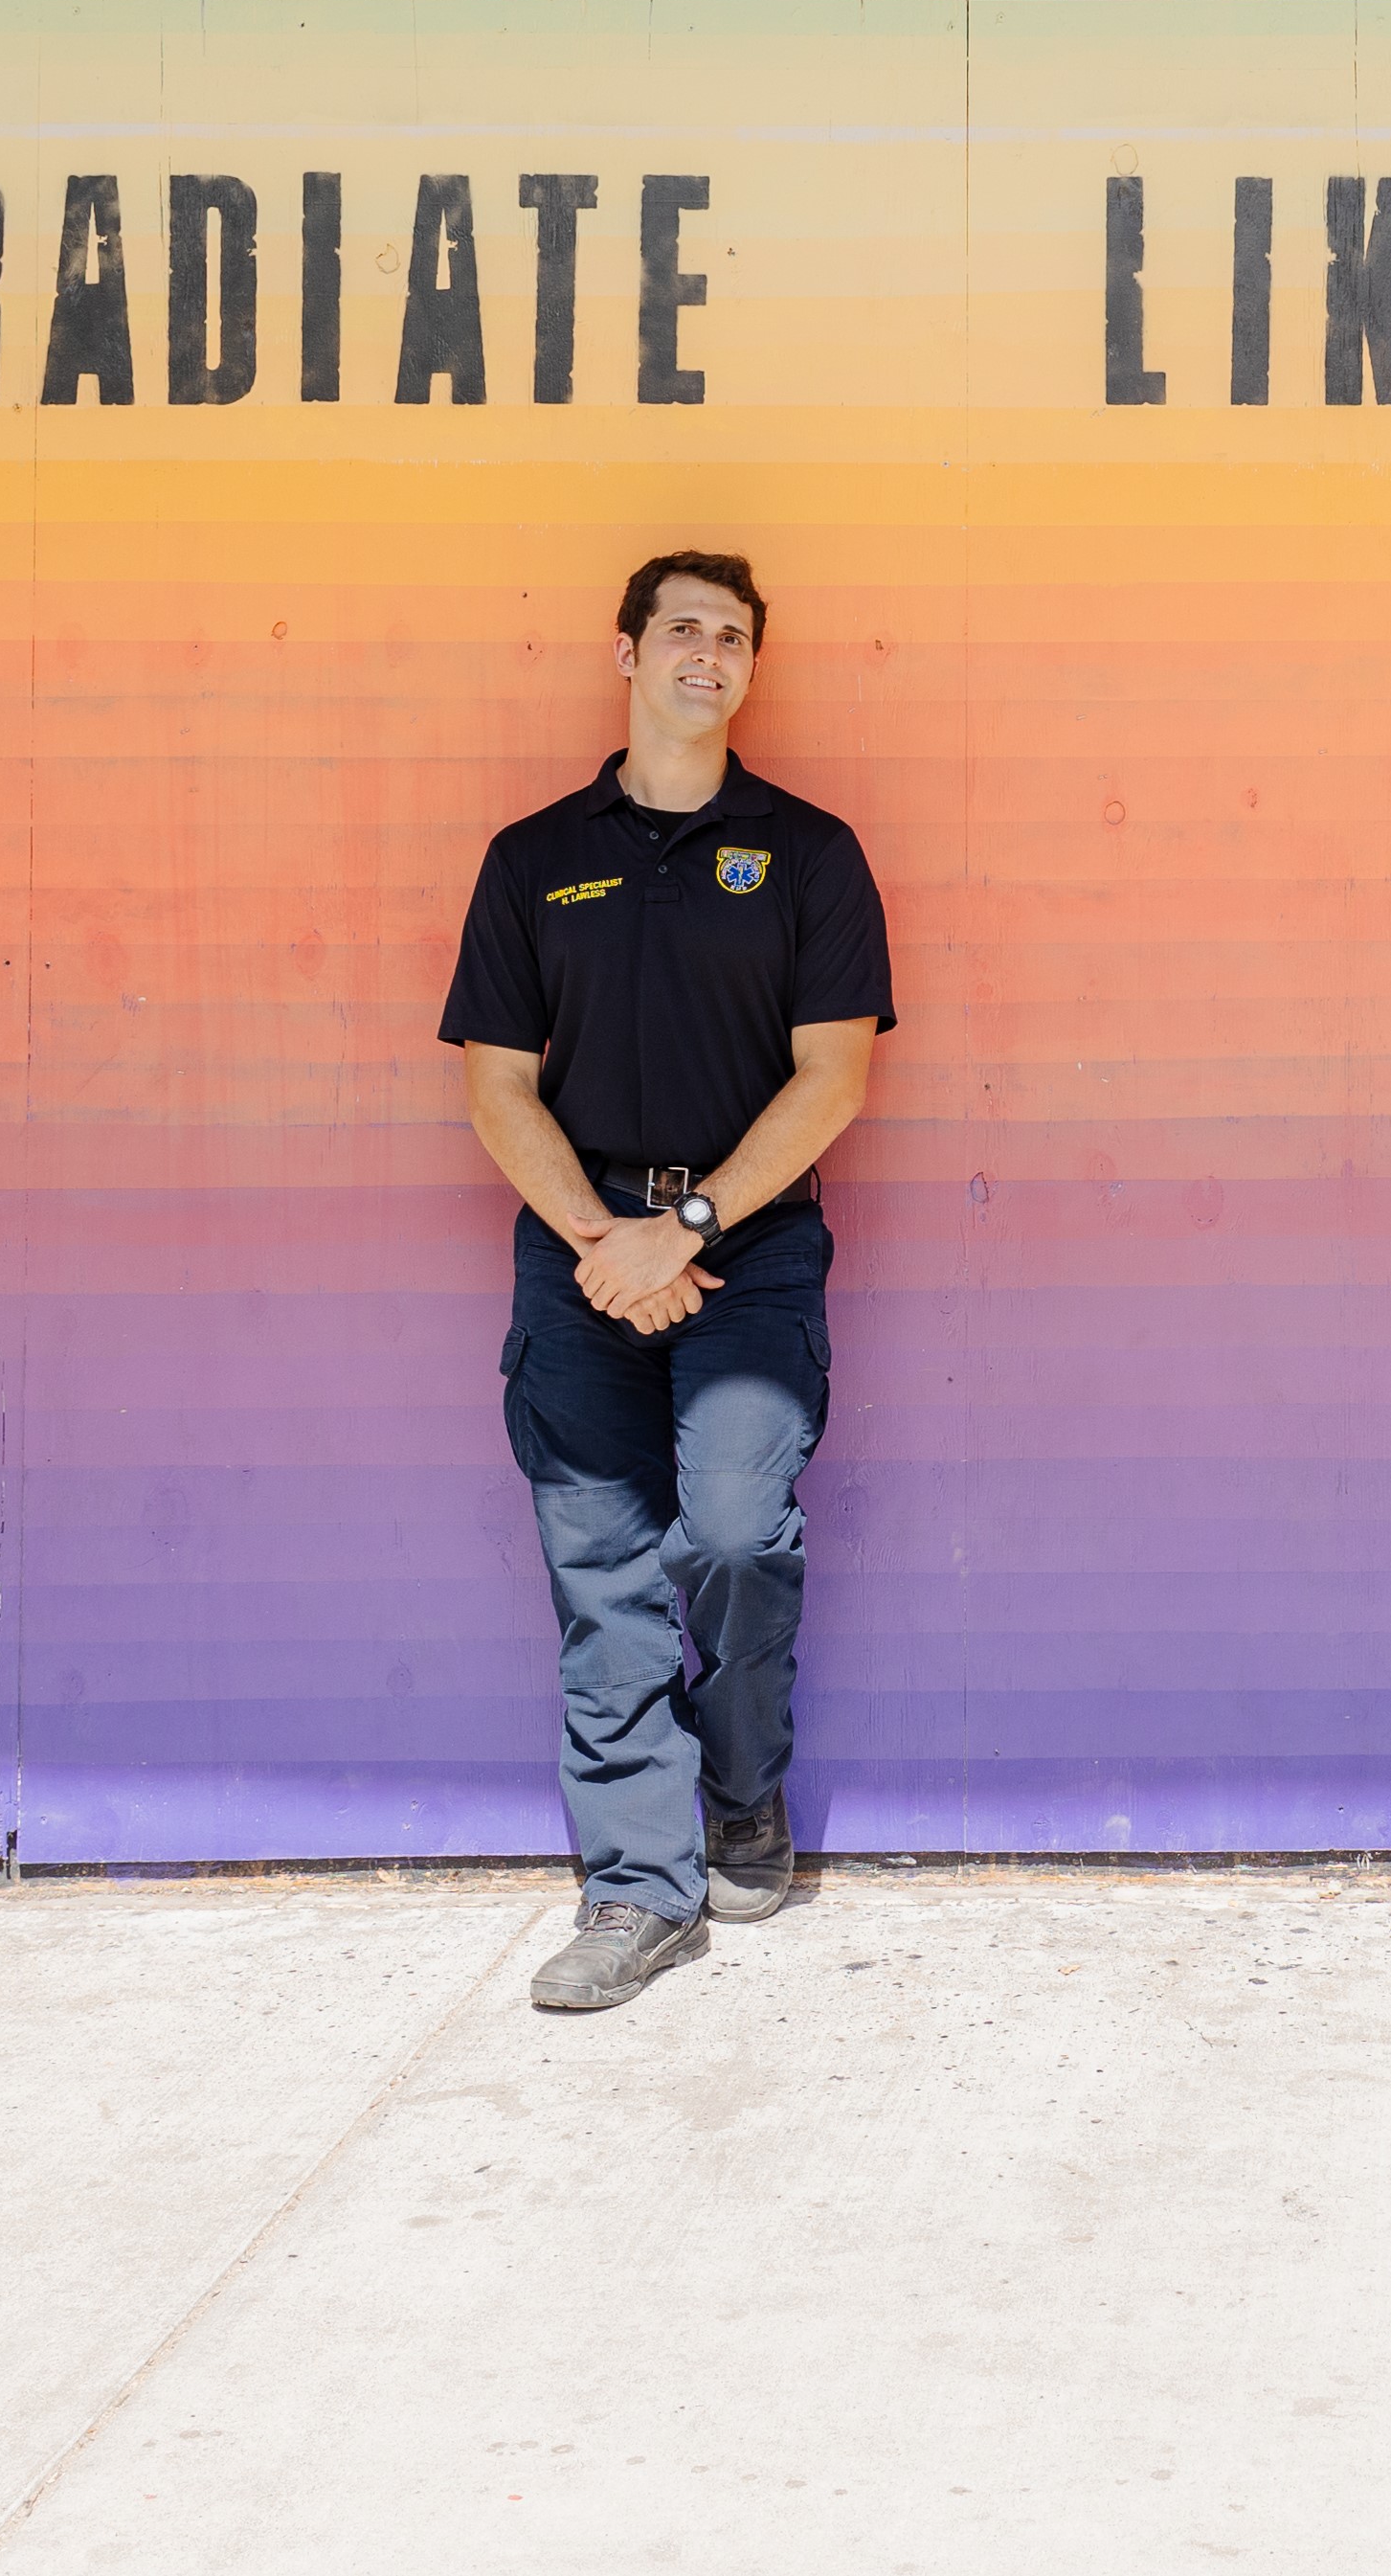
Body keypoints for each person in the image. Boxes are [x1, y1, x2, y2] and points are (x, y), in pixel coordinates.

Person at [440, 552, 893, 2013]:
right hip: (579, 1251)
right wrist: (601, 1240)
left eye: (734, 636)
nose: (708, 652)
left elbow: (834, 1078)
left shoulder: (811, 852)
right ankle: (641, 1889)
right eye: (683, 629)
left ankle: (742, 1786)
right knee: (605, 1576)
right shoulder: (531, 857)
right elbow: (501, 1089)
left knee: (734, 1538)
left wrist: (685, 1224)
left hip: (746, 1251)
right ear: (624, 651)